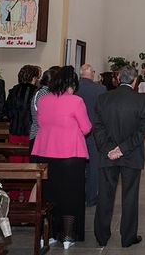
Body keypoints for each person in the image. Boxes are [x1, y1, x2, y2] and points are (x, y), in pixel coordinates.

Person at [32, 66, 91, 247]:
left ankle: (47, 235)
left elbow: (41, 123)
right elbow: (86, 127)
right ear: (71, 84)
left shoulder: (43, 100)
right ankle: (67, 236)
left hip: (44, 152)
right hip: (70, 155)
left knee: (49, 195)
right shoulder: (76, 101)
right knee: (70, 195)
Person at [93, 65, 145, 248]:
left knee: (105, 195)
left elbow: (98, 127)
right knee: (130, 196)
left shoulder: (103, 98)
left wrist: (109, 148)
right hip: (131, 155)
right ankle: (128, 237)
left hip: (107, 155)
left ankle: (101, 236)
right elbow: (143, 130)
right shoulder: (141, 100)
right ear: (135, 81)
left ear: (118, 79)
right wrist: (122, 149)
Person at [76, 63, 106, 207]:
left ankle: (78, 195)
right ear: (91, 74)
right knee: (94, 166)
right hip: (94, 132)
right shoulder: (100, 89)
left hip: (75, 133)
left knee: (77, 165)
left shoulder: (73, 88)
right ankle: (91, 197)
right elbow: (104, 111)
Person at [6, 65, 40, 147]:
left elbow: (8, 111)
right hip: (31, 132)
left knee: (14, 157)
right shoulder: (37, 92)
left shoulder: (13, 90)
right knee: (29, 158)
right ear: (33, 78)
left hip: (15, 129)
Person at [29, 67, 59, 155]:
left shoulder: (43, 92)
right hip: (39, 135)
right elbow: (46, 116)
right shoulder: (44, 94)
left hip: (41, 135)